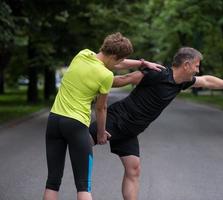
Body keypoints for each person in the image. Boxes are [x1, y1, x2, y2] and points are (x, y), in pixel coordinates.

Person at [89, 47, 223, 200]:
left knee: (134, 169)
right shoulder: (157, 74)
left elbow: (207, 81)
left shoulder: (181, 82)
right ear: (187, 65)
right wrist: (89, 83)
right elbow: (123, 79)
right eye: (196, 66)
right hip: (117, 119)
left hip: (131, 131)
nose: (198, 70)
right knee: (81, 142)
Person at [42, 32, 163, 200]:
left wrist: (142, 63)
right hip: (76, 125)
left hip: (54, 121)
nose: (121, 63)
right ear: (113, 56)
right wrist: (100, 132)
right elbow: (101, 108)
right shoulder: (105, 76)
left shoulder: (83, 54)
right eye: (120, 60)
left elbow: (116, 63)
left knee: (52, 182)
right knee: (83, 187)